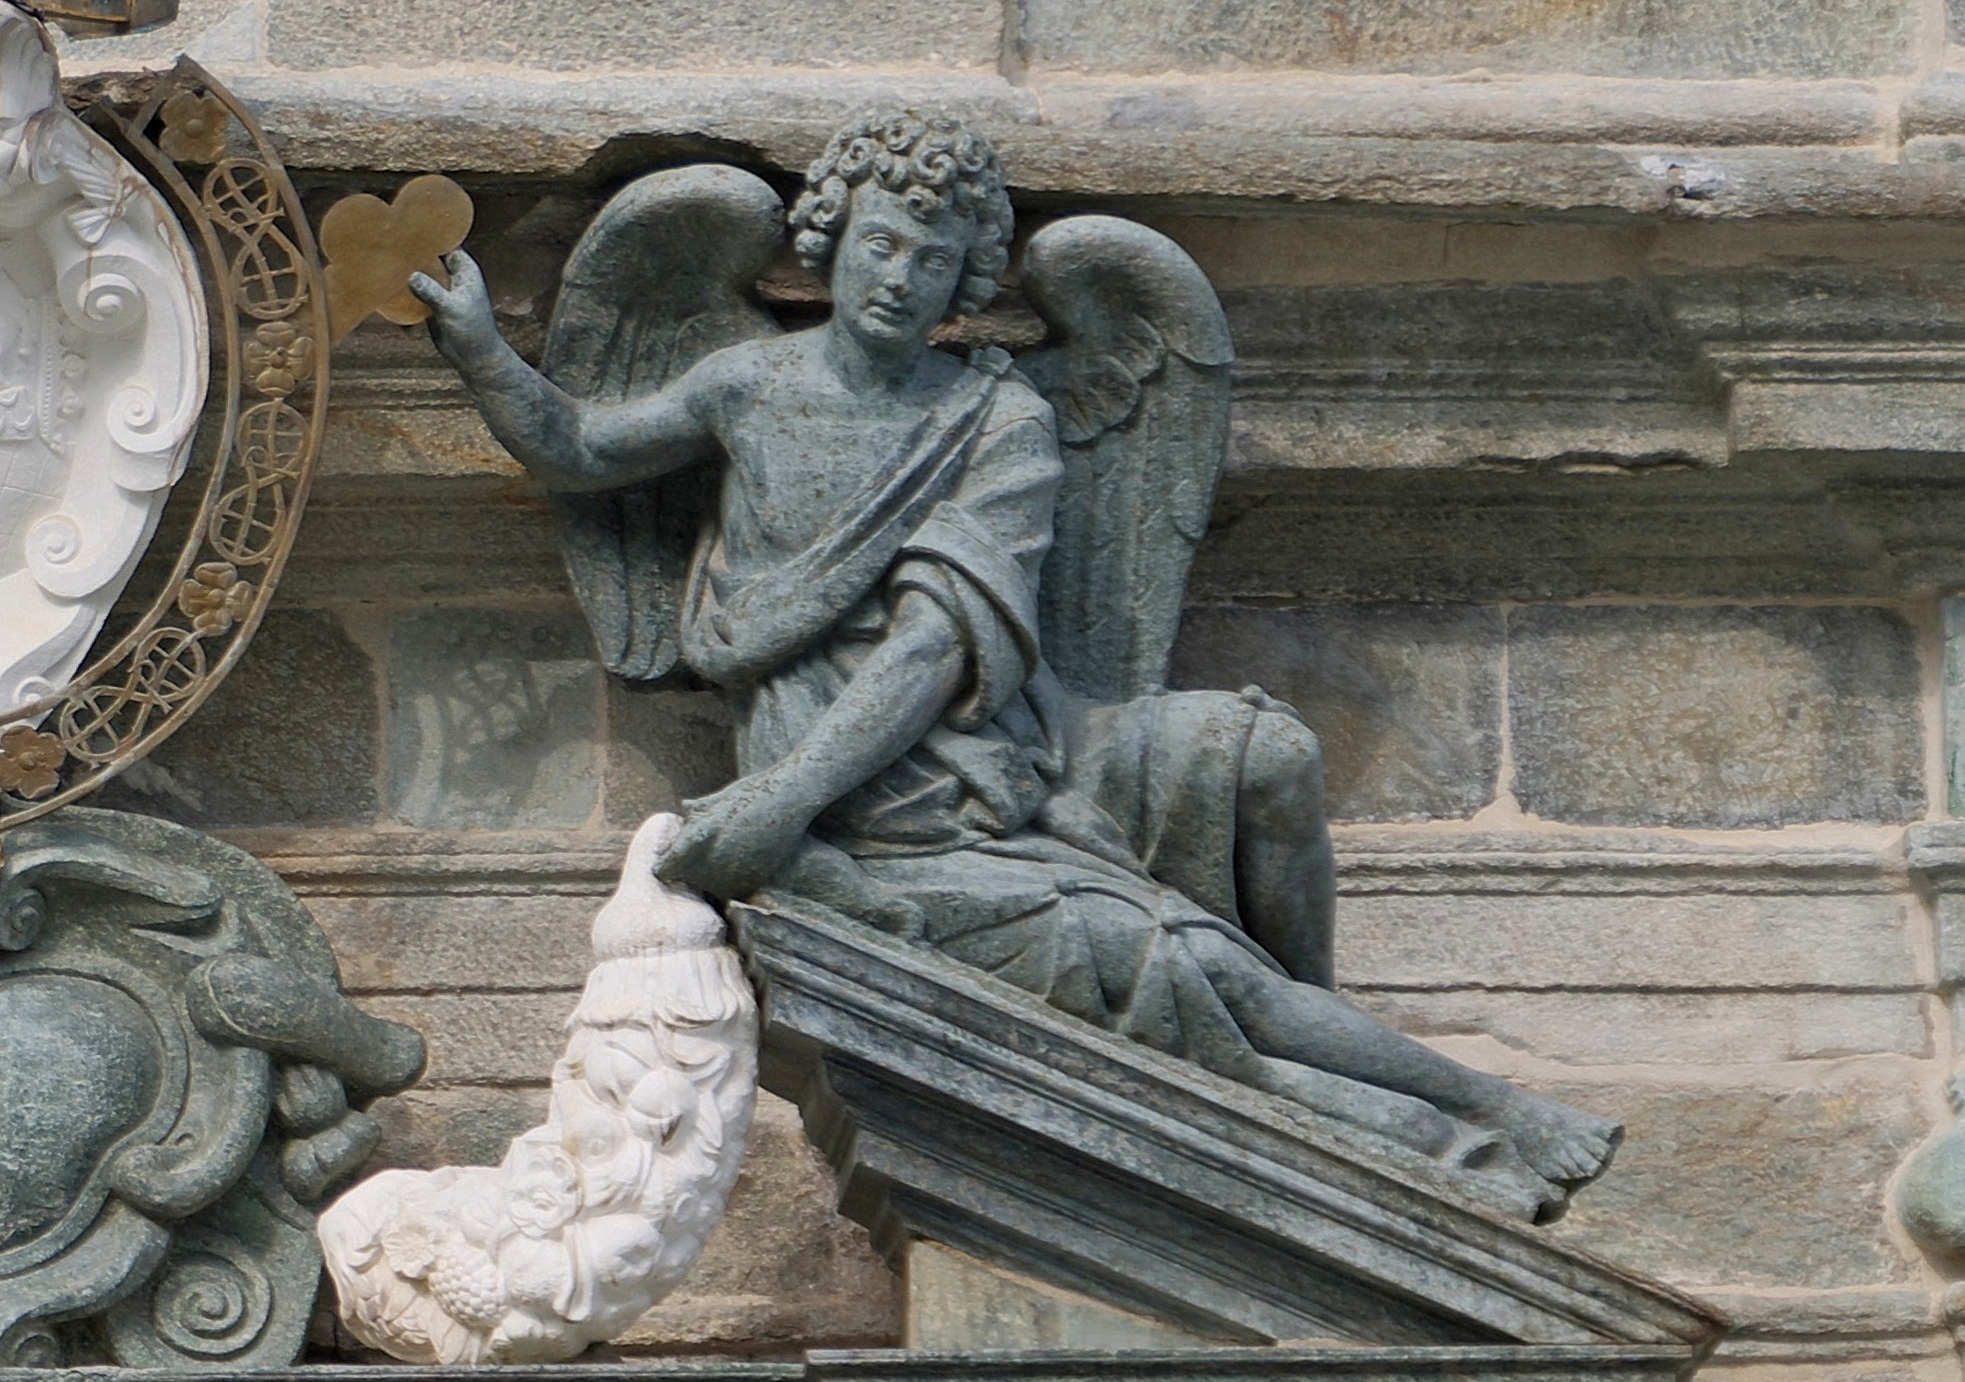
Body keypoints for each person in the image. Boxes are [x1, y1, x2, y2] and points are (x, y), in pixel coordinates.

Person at [416, 113, 1614, 1217]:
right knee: (1177, 966)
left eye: (931, 261)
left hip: (988, 746)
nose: (899, 278)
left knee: (1267, 750)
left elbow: (936, 645)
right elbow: (578, 440)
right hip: (860, 810)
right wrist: (478, 348)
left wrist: (772, 804)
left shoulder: (1000, 418)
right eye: (881, 243)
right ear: (831, 241)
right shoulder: (748, 385)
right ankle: (1450, 1117)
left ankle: (1364, 1063)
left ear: (965, 279)